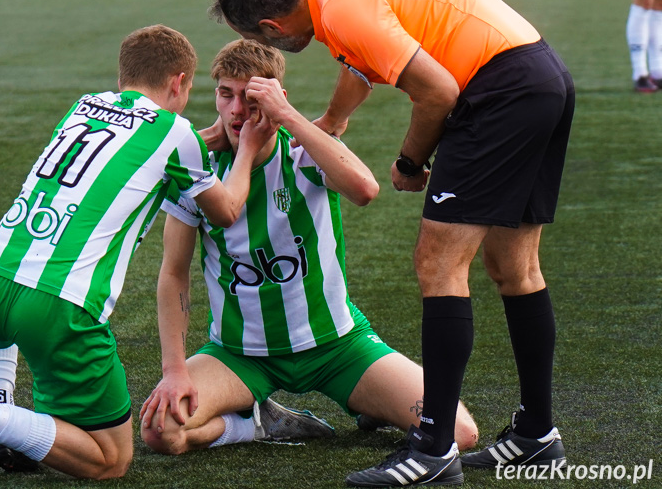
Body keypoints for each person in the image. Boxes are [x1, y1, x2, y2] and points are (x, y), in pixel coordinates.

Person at [210, 0, 574, 487]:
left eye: (266, 39)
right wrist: (333, 120)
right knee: (515, 268)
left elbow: (438, 92)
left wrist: (410, 160)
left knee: (438, 264)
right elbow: (362, 60)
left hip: (495, 92)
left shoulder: (340, 9)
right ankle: (537, 436)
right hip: (541, 78)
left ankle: (432, 449)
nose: (275, 46)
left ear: (269, 25)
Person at [0, 25, 275, 488]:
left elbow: (143, 152)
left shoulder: (83, 106)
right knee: (110, 458)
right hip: (58, 307)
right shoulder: (177, 133)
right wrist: (246, 151)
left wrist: (205, 139)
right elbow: (226, 210)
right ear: (179, 82)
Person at [139, 39, 478, 458]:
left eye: (250, 98)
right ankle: (256, 424)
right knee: (160, 432)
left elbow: (365, 189)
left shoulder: (302, 151)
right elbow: (173, 272)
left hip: (336, 346)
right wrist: (174, 371)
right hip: (241, 354)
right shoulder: (197, 167)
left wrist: (289, 118)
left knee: (458, 433)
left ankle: (373, 404)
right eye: (225, 95)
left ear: (277, 99)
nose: (236, 111)